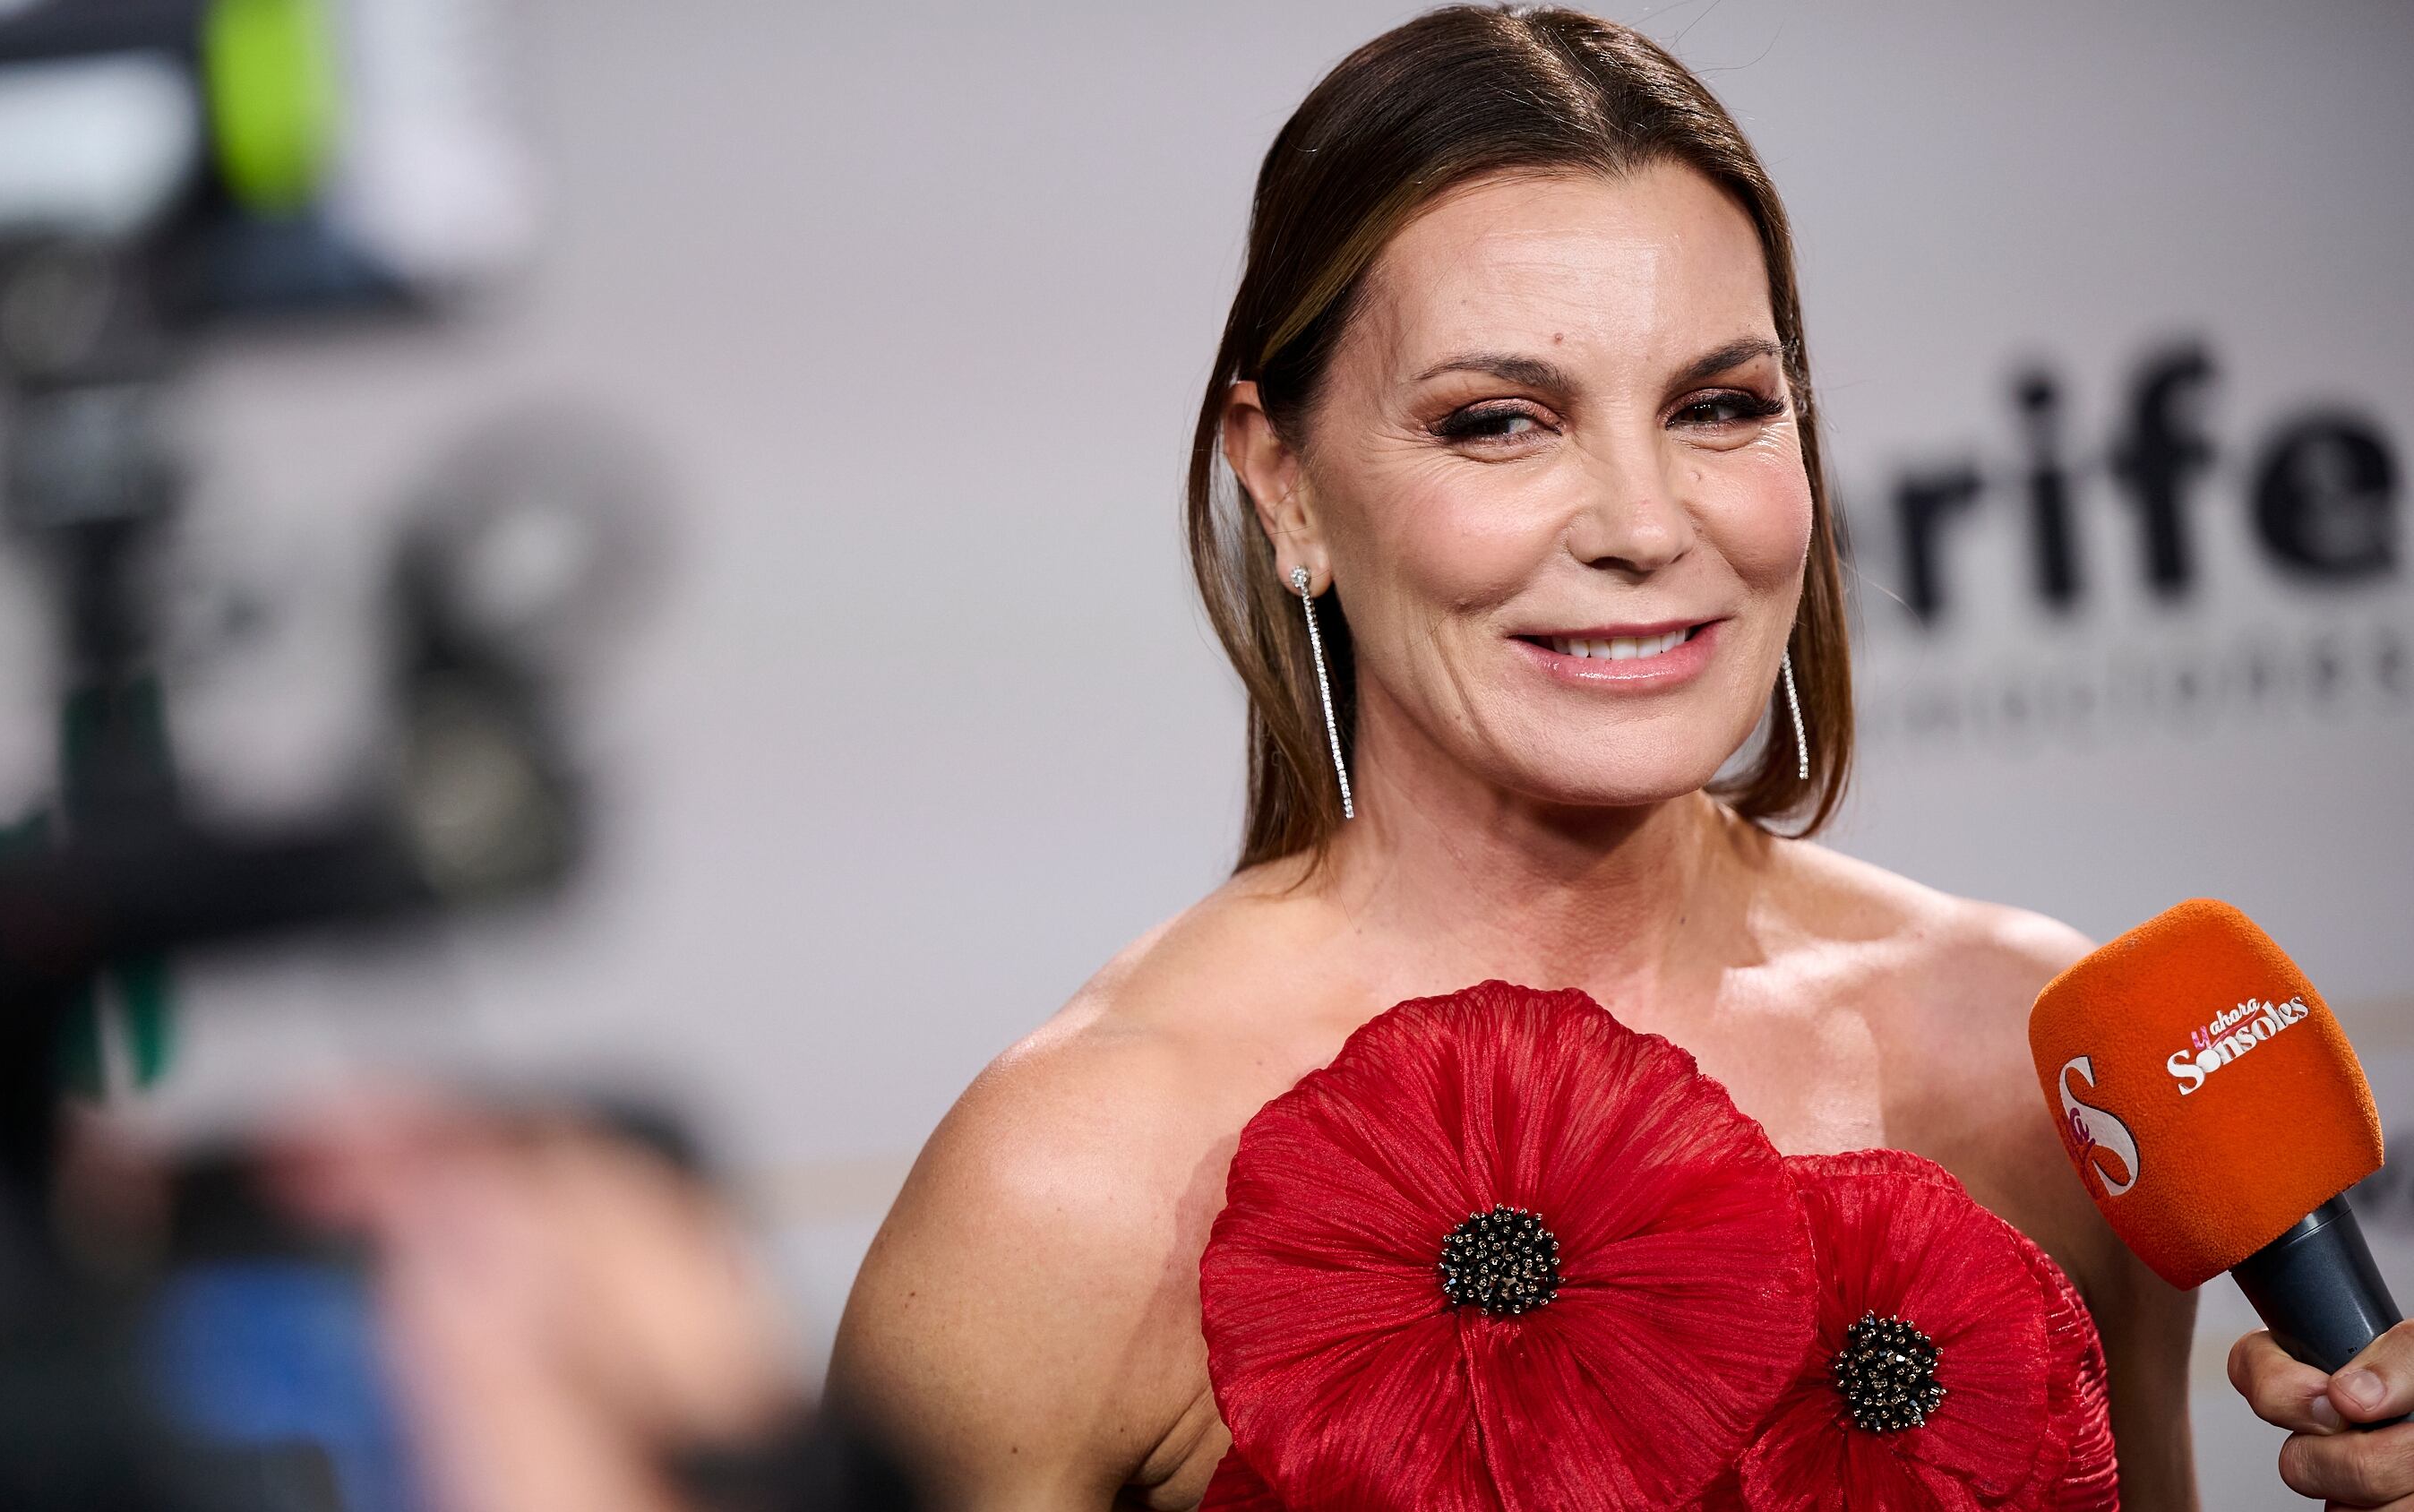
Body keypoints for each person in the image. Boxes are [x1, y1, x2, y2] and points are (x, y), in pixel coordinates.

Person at [831, 6, 2204, 1508]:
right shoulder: (1072, 1188)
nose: (1643, 523)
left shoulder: (2040, 1063)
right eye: (1499, 423)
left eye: (1721, 407)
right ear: (1283, 485)